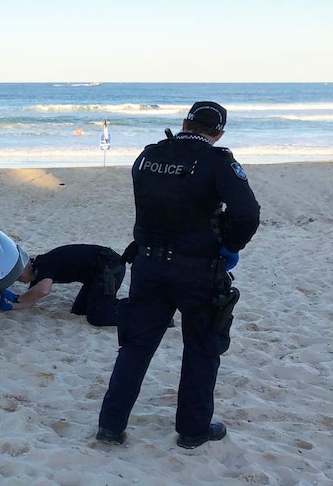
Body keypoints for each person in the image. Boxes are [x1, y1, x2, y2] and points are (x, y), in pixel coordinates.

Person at [96, 101, 260, 449]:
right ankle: (192, 430)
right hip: (197, 269)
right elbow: (247, 214)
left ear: (185, 122)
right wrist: (229, 245)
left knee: (135, 347)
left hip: (149, 265)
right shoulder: (218, 161)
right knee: (201, 349)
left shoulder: (148, 155)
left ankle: (110, 426)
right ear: (218, 133)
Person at [0, 244, 125, 327]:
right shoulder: (38, 275)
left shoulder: (43, 264)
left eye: (18, 274)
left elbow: (44, 290)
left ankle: (138, 308)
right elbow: (30, 302)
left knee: (98, 318)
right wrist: (11, 306)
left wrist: (18, 298)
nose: (18, 279)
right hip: (94, 275)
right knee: (79, 311)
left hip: (110, 267)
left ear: (28, 264)